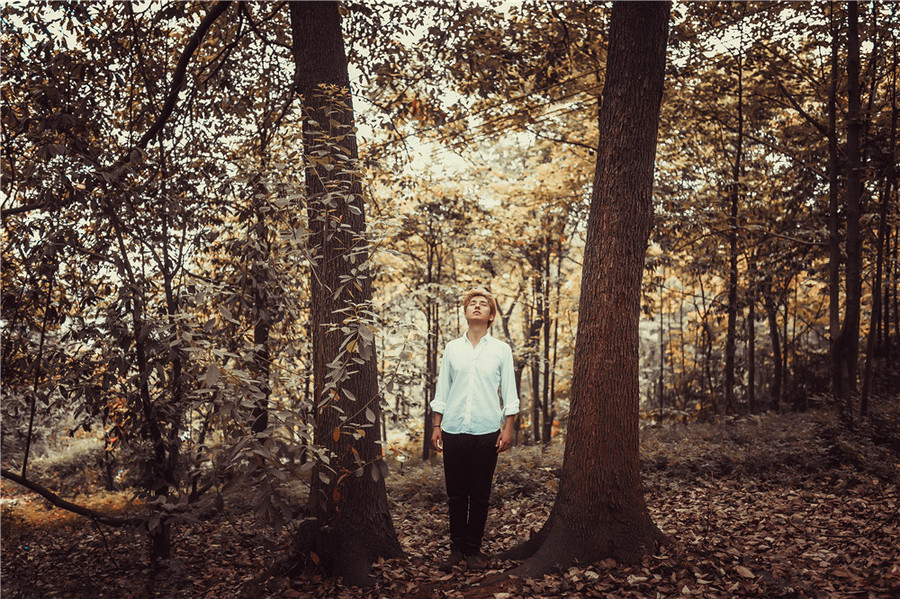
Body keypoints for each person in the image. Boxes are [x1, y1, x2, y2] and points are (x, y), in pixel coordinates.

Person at [431, 287, 519, 572]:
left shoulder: (501, 350)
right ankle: (456, 549)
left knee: (480, 494)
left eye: (483, 304)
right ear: (466, 312)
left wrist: (508, 429)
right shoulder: (452, 349)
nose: (477, 306)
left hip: (486, 431)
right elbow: (442, 388)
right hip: (453, 429)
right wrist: (437, 425)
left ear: (491, 316)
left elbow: (510, 391)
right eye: (472, 303)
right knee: (456, 494)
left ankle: (473, 551)